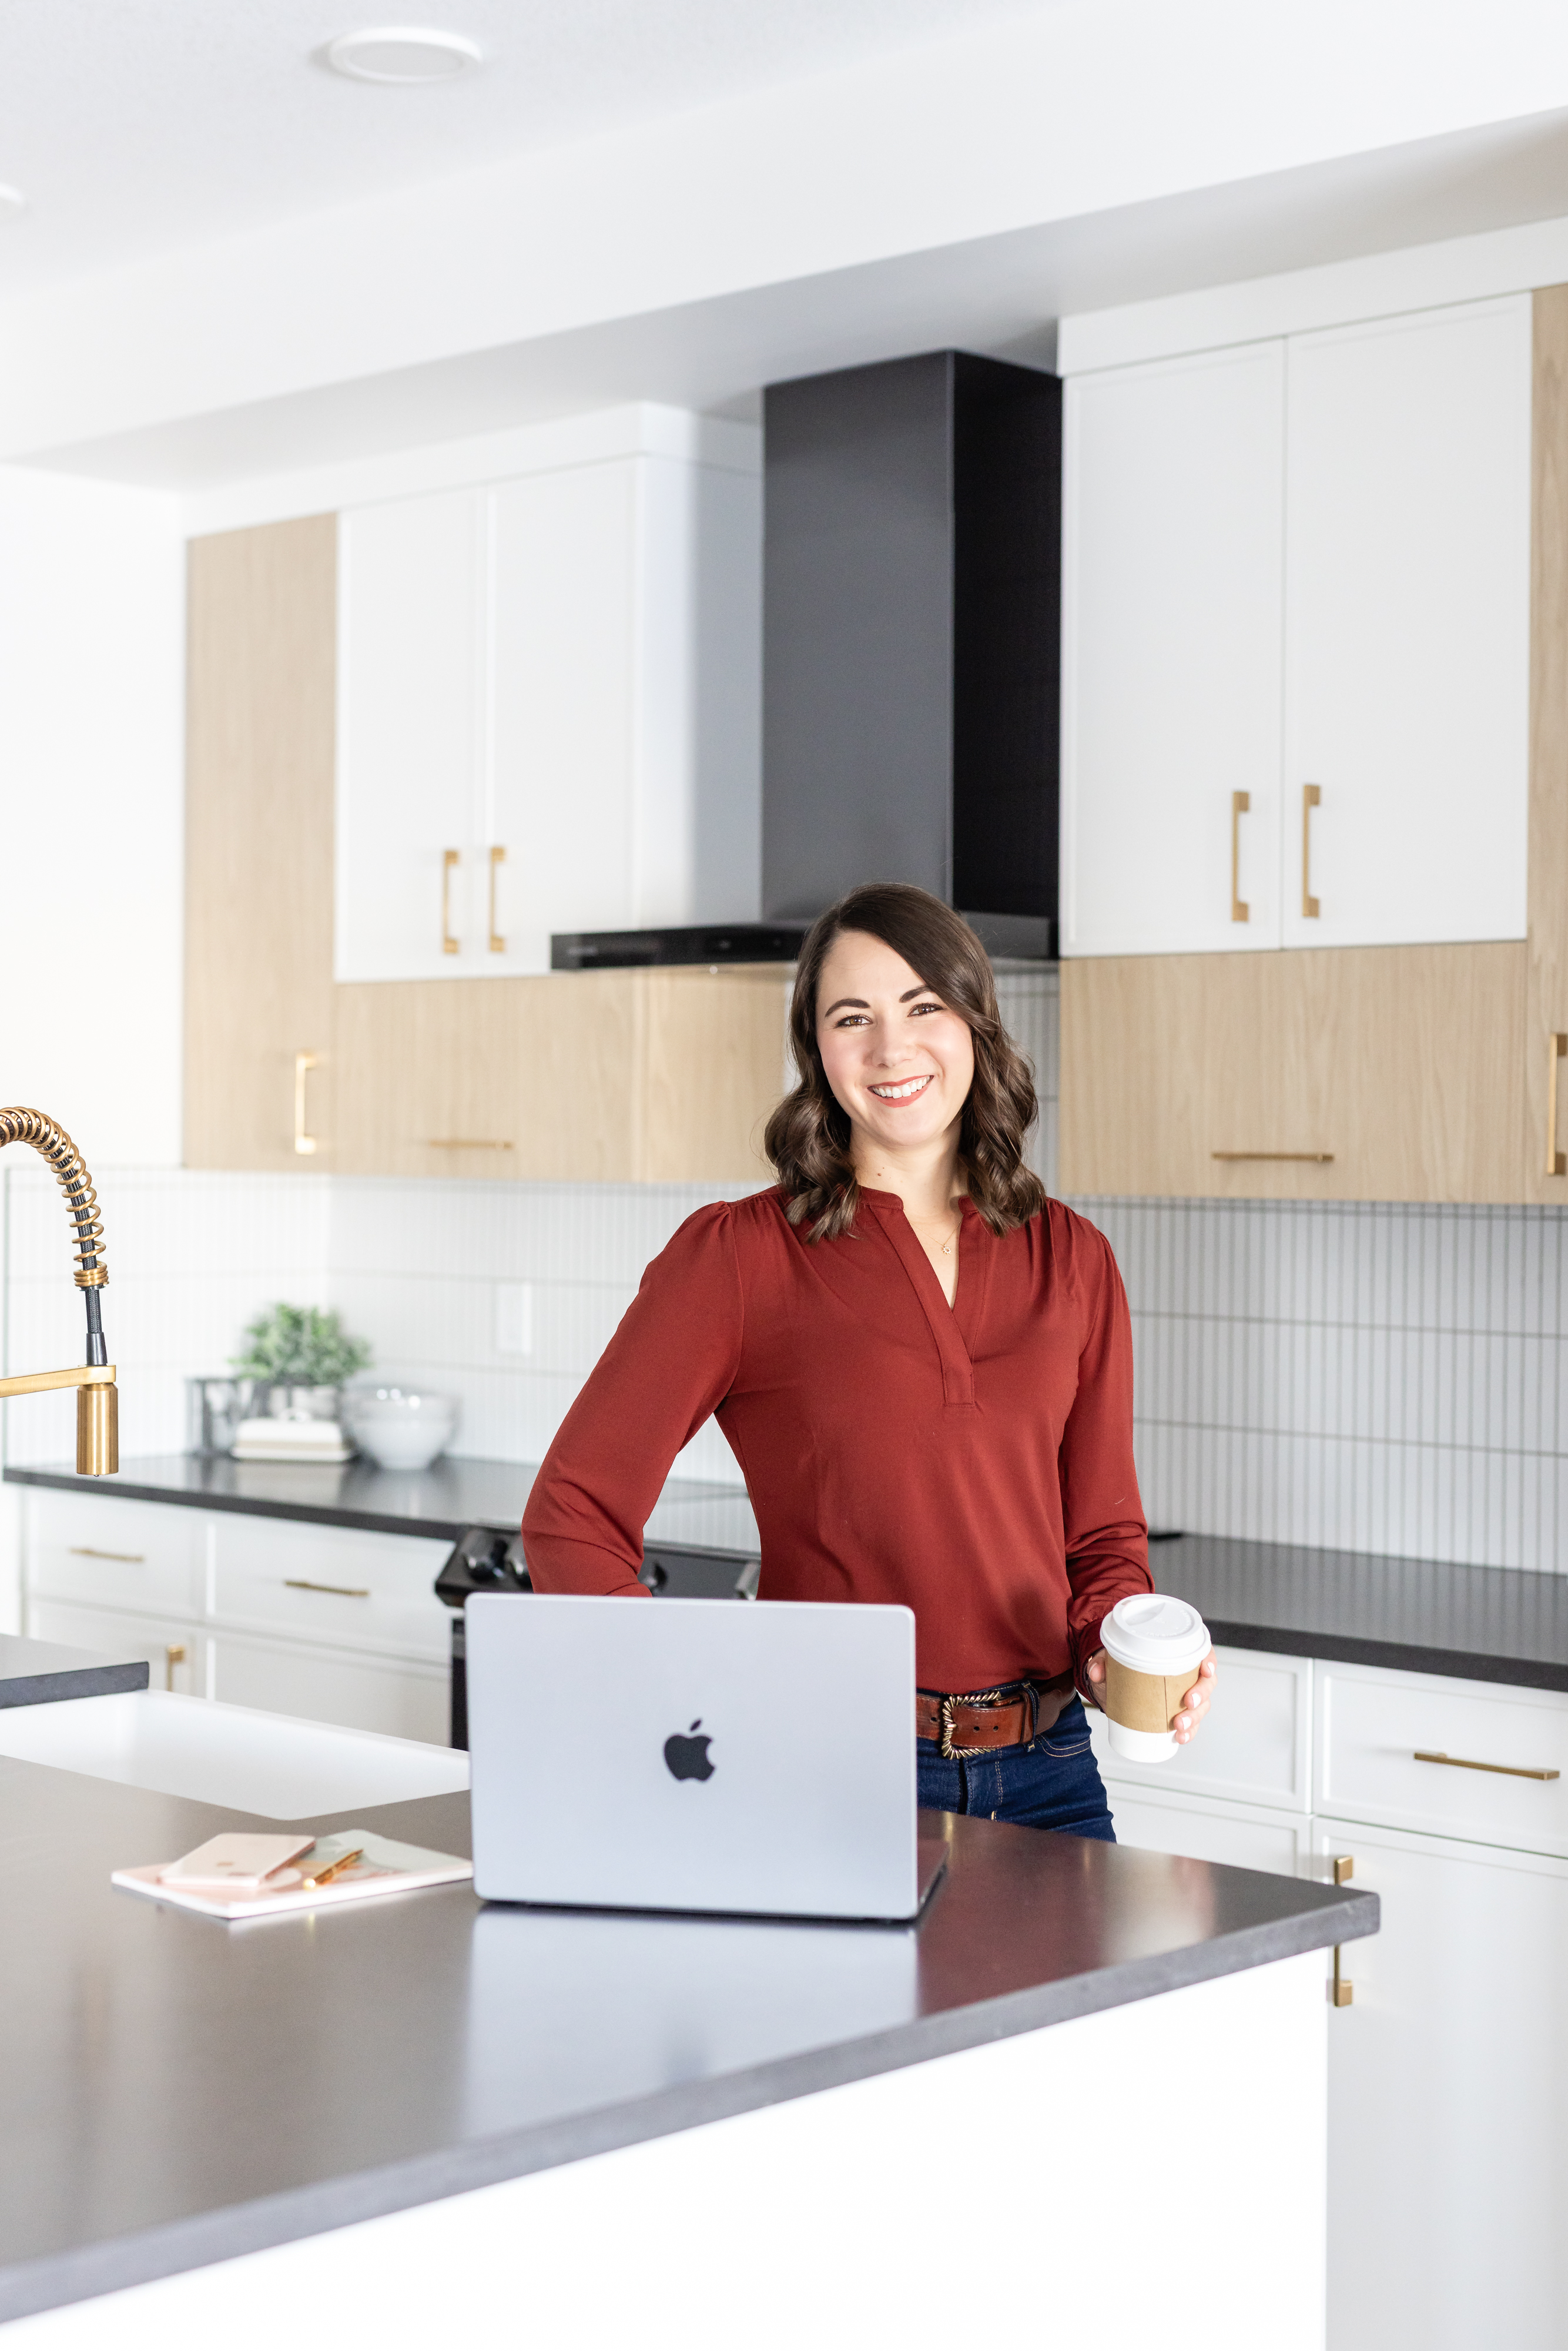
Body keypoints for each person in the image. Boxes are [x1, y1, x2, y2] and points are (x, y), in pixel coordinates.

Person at [522, 882, 1215, 1836]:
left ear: (975, 1023)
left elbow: (1101, 1543)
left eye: (923, 1007)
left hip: (1052, 1777)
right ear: (817, 1050)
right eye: (853, 1018)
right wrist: (674, 1694)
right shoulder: (739, 1257)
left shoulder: (1074, 1257)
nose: (893, 1049)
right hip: (829, 1767)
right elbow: (572, 1513)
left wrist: (1116, 1650)